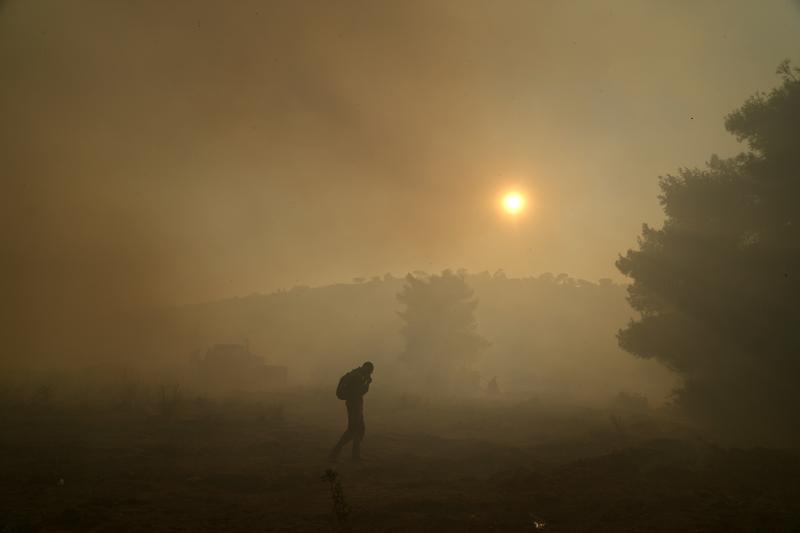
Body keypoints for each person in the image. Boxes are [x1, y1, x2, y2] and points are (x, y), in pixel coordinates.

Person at [330, 361, 374, 462]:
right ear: (367, 370)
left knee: (359, 429)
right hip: (354, 404)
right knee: (353, 430)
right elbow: (360, 391)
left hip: (355, 403)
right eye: (370, 372)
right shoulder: (358, 377)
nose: (370, 374)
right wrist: (367, 384)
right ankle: (336, 451)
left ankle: (355, 455)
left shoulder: (357, 374)